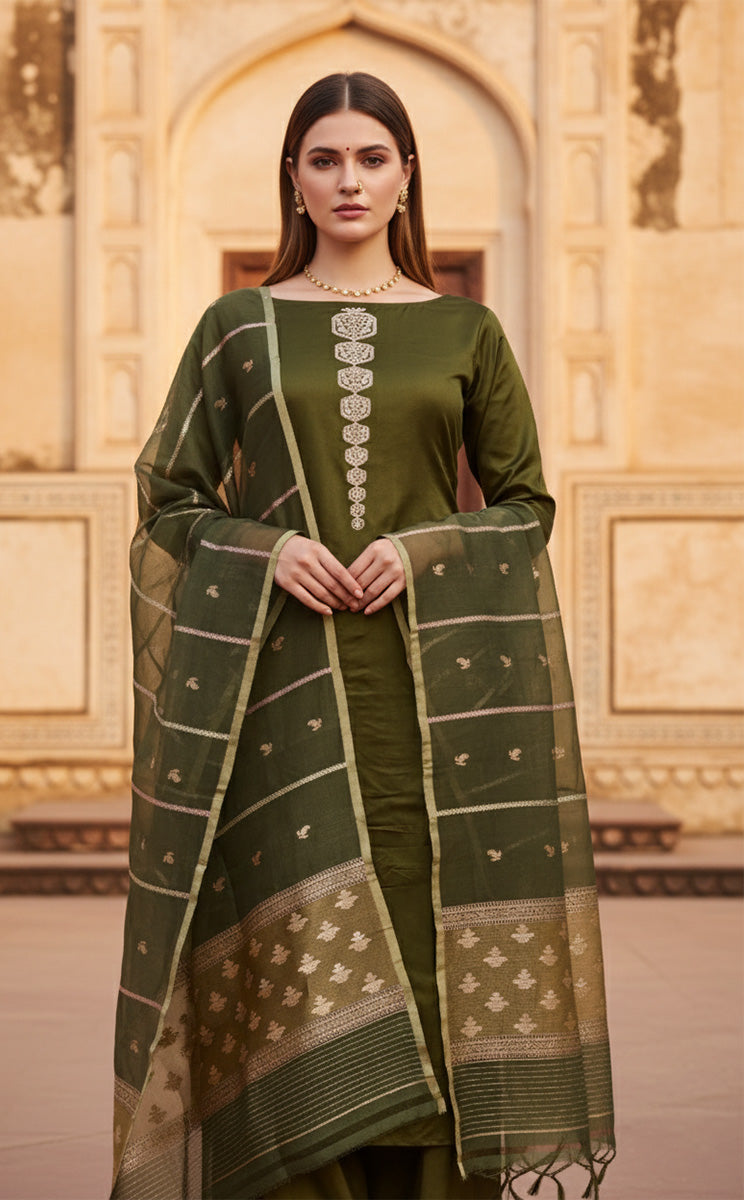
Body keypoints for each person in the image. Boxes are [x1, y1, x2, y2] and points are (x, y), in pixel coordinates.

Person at [110, 72, 615, 1200]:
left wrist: (428, 548)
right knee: (293, 964)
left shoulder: (463, 329)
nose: (348, 179)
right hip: (276, 698)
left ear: (404, 176)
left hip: (432, 706)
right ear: (291, 177)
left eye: (371, 158)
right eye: (324, 158)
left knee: (431, 943)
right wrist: (266, 548)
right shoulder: (236, 325)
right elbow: (170, 498)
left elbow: (524, 504)